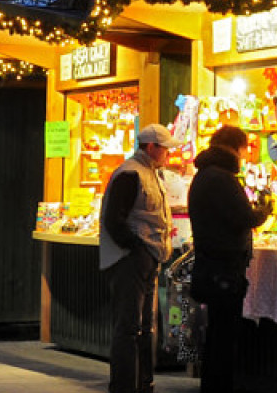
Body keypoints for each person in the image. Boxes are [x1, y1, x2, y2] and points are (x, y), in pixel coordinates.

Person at [187, 125, 273, 393]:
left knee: (216, 332)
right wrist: (264, 209)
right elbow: (243, 217)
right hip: (224, 269)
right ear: (236, 148)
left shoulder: (203, 177)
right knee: (223, 335)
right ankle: (220, 386)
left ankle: (212, 385)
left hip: (210, 265)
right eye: (245, 149)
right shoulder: (222, 179)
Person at [101, 123, 180, 393]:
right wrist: (135, 247)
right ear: (151, 147)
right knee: (129, 327)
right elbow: (114, 219)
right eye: (165, 148)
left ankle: (142, 383)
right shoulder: (130, 173)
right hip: (132, 259)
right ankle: (125, 386)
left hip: (146, 256)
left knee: (144, 328)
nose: (168, 153)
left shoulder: (150, 174)